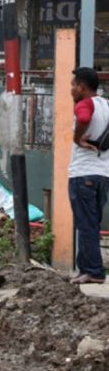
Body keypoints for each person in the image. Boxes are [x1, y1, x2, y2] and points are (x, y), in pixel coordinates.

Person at [69, 67, 109, 284]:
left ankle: (93, 271)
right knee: (92, 223)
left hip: (83, 173)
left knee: (85, 223)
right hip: (103, 174)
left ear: (82, 88)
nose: (71, 89)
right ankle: (87, 269)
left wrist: (78, 138)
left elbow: (83, 117)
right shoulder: (106, 105)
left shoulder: (85, 104)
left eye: (73, 85)